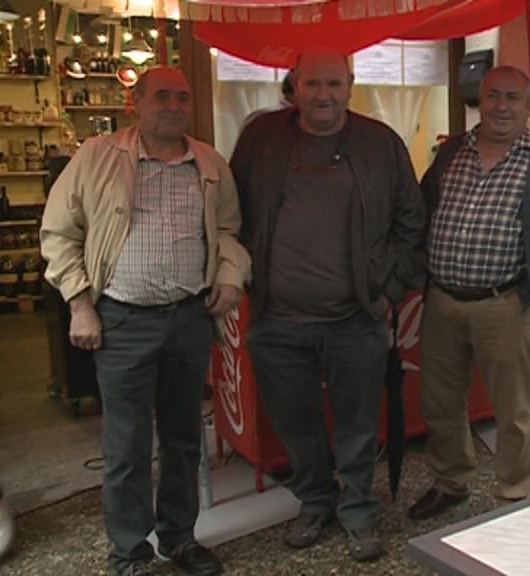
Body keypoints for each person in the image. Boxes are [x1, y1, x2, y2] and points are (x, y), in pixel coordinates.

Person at [40, 67, 249, 576]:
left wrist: (230, 275)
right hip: (121, 320)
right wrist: (81, 303)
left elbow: (227, 230)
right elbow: (58, 234)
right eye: (162, 96)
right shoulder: (97, 157)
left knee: (183, 439)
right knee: (127, 446)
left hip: (188, 320)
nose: (174, 105)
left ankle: (179, 539)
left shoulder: (209, 163)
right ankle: (130, 553)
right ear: (137, 102)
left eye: (182, 96)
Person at [230, 48, 427, 561]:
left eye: (334, 85)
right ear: (294, 86)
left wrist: (388, 293)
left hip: (355, 317)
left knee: (359, 424)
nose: (323, 95)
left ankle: (359, 511)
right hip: (277, 318)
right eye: (313, 85)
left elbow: (412, 224)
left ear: (350, 86)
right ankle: (316, 501)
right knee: (295, 424)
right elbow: (231, 212)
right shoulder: (260, 139)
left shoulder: (380, 143)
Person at [407, 66, 530, 520]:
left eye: (512, 98)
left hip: (506, 303)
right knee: (440, 402)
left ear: (528, 106)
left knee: (516, 410)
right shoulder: (450, 153)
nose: (501, 106)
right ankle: (452, 481)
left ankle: (515, 494)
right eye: (493, 96)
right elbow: (422, 212)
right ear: (479, 101)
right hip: (443, 300)